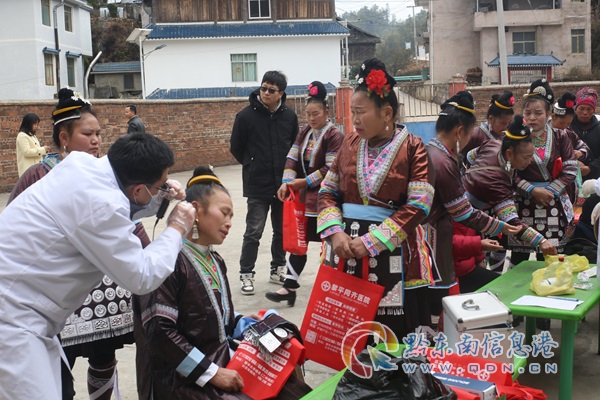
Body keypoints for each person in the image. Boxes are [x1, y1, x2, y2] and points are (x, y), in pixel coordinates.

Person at [0, 123, 196, 398]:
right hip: (12, 318)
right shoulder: (102, 205)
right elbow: (142, 275)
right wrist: (176, 228)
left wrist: (158, 196)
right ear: (138, 188)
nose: (162, 187)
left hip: (21, 306)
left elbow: (120, 205)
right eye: (158, 184)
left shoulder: (82, 166)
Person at [135, 167, 310, 400]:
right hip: (181, 378)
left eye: (231, 217)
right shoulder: (165, 260)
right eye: (224, 213)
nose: (228, 223)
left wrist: (244, 323)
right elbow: (160, 333)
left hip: (219, 362)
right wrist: (211, 373)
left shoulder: (214, 259)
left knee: (292, 384)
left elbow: (214, 317)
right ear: (196, 209)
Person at [317, 58, 435, 340]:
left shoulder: (413, 148)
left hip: (395, 255)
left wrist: (372, 242)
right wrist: (335, 233)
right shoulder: (348, 143)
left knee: (394, 342)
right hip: (345, 251)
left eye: (360, 112)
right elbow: (327, 191)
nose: (355, 120)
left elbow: (419, 205)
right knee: (348, 338)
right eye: (352, 112)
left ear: (387, 113)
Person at [425, 91, 521, 327]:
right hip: (435, 244)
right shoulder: (443, 161)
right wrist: (499, 226)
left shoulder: (431, 151)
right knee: (440, 313)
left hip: (434, 241)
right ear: (460, 132)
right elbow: (463, 212)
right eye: (468, 134)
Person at [265, 81, 343, 307]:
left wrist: (304, 182)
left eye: (315, 114)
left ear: (326, 112)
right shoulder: (305, 132)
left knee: (331, 243)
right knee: (300, 242)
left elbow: (331, 168)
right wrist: (286, 183)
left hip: (327, 199)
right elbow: (292, 157)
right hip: (305, 200)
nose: (311, 118)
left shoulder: (334, 135)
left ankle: (335, 289)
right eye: (308, 114)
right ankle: (289, 287)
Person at [230, 71, 299, 295]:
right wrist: (252, 164)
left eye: (271, 90)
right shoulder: (245, 116)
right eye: (263, 88)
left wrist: (288, 178)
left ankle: (277, 269)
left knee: (281, 231)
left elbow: (294, 148)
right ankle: (246, 274)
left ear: (281, 93)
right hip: (257, 184)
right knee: (253, 232)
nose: (266, 93)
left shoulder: (289, 116)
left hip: (282, 186)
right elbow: (236, 147)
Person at [462, 115, 558, 273]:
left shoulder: (493, 144)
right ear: (509, 154)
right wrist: (541, 241)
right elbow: (513, 222)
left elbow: (470, 156)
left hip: (475, 209)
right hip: (466, 221)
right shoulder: (496, 182)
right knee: (471, 266)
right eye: (526, 157)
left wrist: (473, 176)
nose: (530, 162)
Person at [510, 79, 577, 266]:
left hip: (553, 203)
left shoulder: (560, 136)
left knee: (549, 256)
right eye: (528, 113)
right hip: (524, 201)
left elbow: (571, 168)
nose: (532, 117)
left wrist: (550, 191)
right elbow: (509, 171)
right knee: (519, 255)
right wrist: (532, 190)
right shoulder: (516, 139)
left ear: (548, 114)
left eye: (538, 113)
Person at [552, 92, 589, 206]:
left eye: (568, 123)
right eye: (562, 123)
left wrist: (580, 153)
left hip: (567, 182)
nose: (565, 126)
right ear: (553, 117)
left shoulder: (569, 133)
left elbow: (584, 147)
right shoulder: (543, 134)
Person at [461, 90, 515, 159]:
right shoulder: (475, 135)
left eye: (509, 123)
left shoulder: (507, 138)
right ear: (491, 119)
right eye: (503, 123)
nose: (506, 127)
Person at [452, 221, 502, 293]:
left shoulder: (466, 216)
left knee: (503, 286)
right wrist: (479, 245)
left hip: (468, 267)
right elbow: (444, 242)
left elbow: (470, 233)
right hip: (451, 275)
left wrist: (479, 259)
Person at [570, 87, 599, 180]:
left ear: (594, 110)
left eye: (589, 109)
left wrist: (591, 168)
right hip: (569, 177)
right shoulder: (567, 126)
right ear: (575, 108)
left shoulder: (598, 128)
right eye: (581, 108)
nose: (585, 113)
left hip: (594, 180)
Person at [15, 112, 50, 176]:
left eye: (37, 124)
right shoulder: (22, 136)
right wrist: (43, 150)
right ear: (28, 124)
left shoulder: (32, 135)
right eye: (35, 124)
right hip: (28, 172)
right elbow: (26, 152)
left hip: (36, 170)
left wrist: (45, 150)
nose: (36, 126)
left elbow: (35, 149)